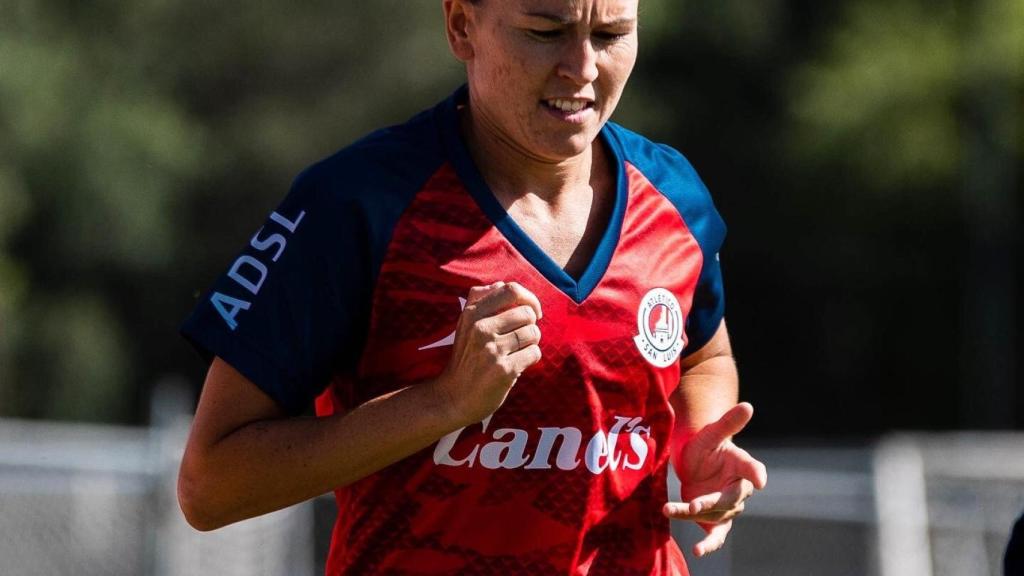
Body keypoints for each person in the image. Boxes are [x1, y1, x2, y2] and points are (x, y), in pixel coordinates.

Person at [178, 0, 768, 574]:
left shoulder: (673, 197)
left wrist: (697, 442)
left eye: (610, 35)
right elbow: (210, 486)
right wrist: (443, 403)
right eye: (545, 32)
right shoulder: (358, 204)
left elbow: (703, 358)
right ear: (462, 26)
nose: (583, 68)